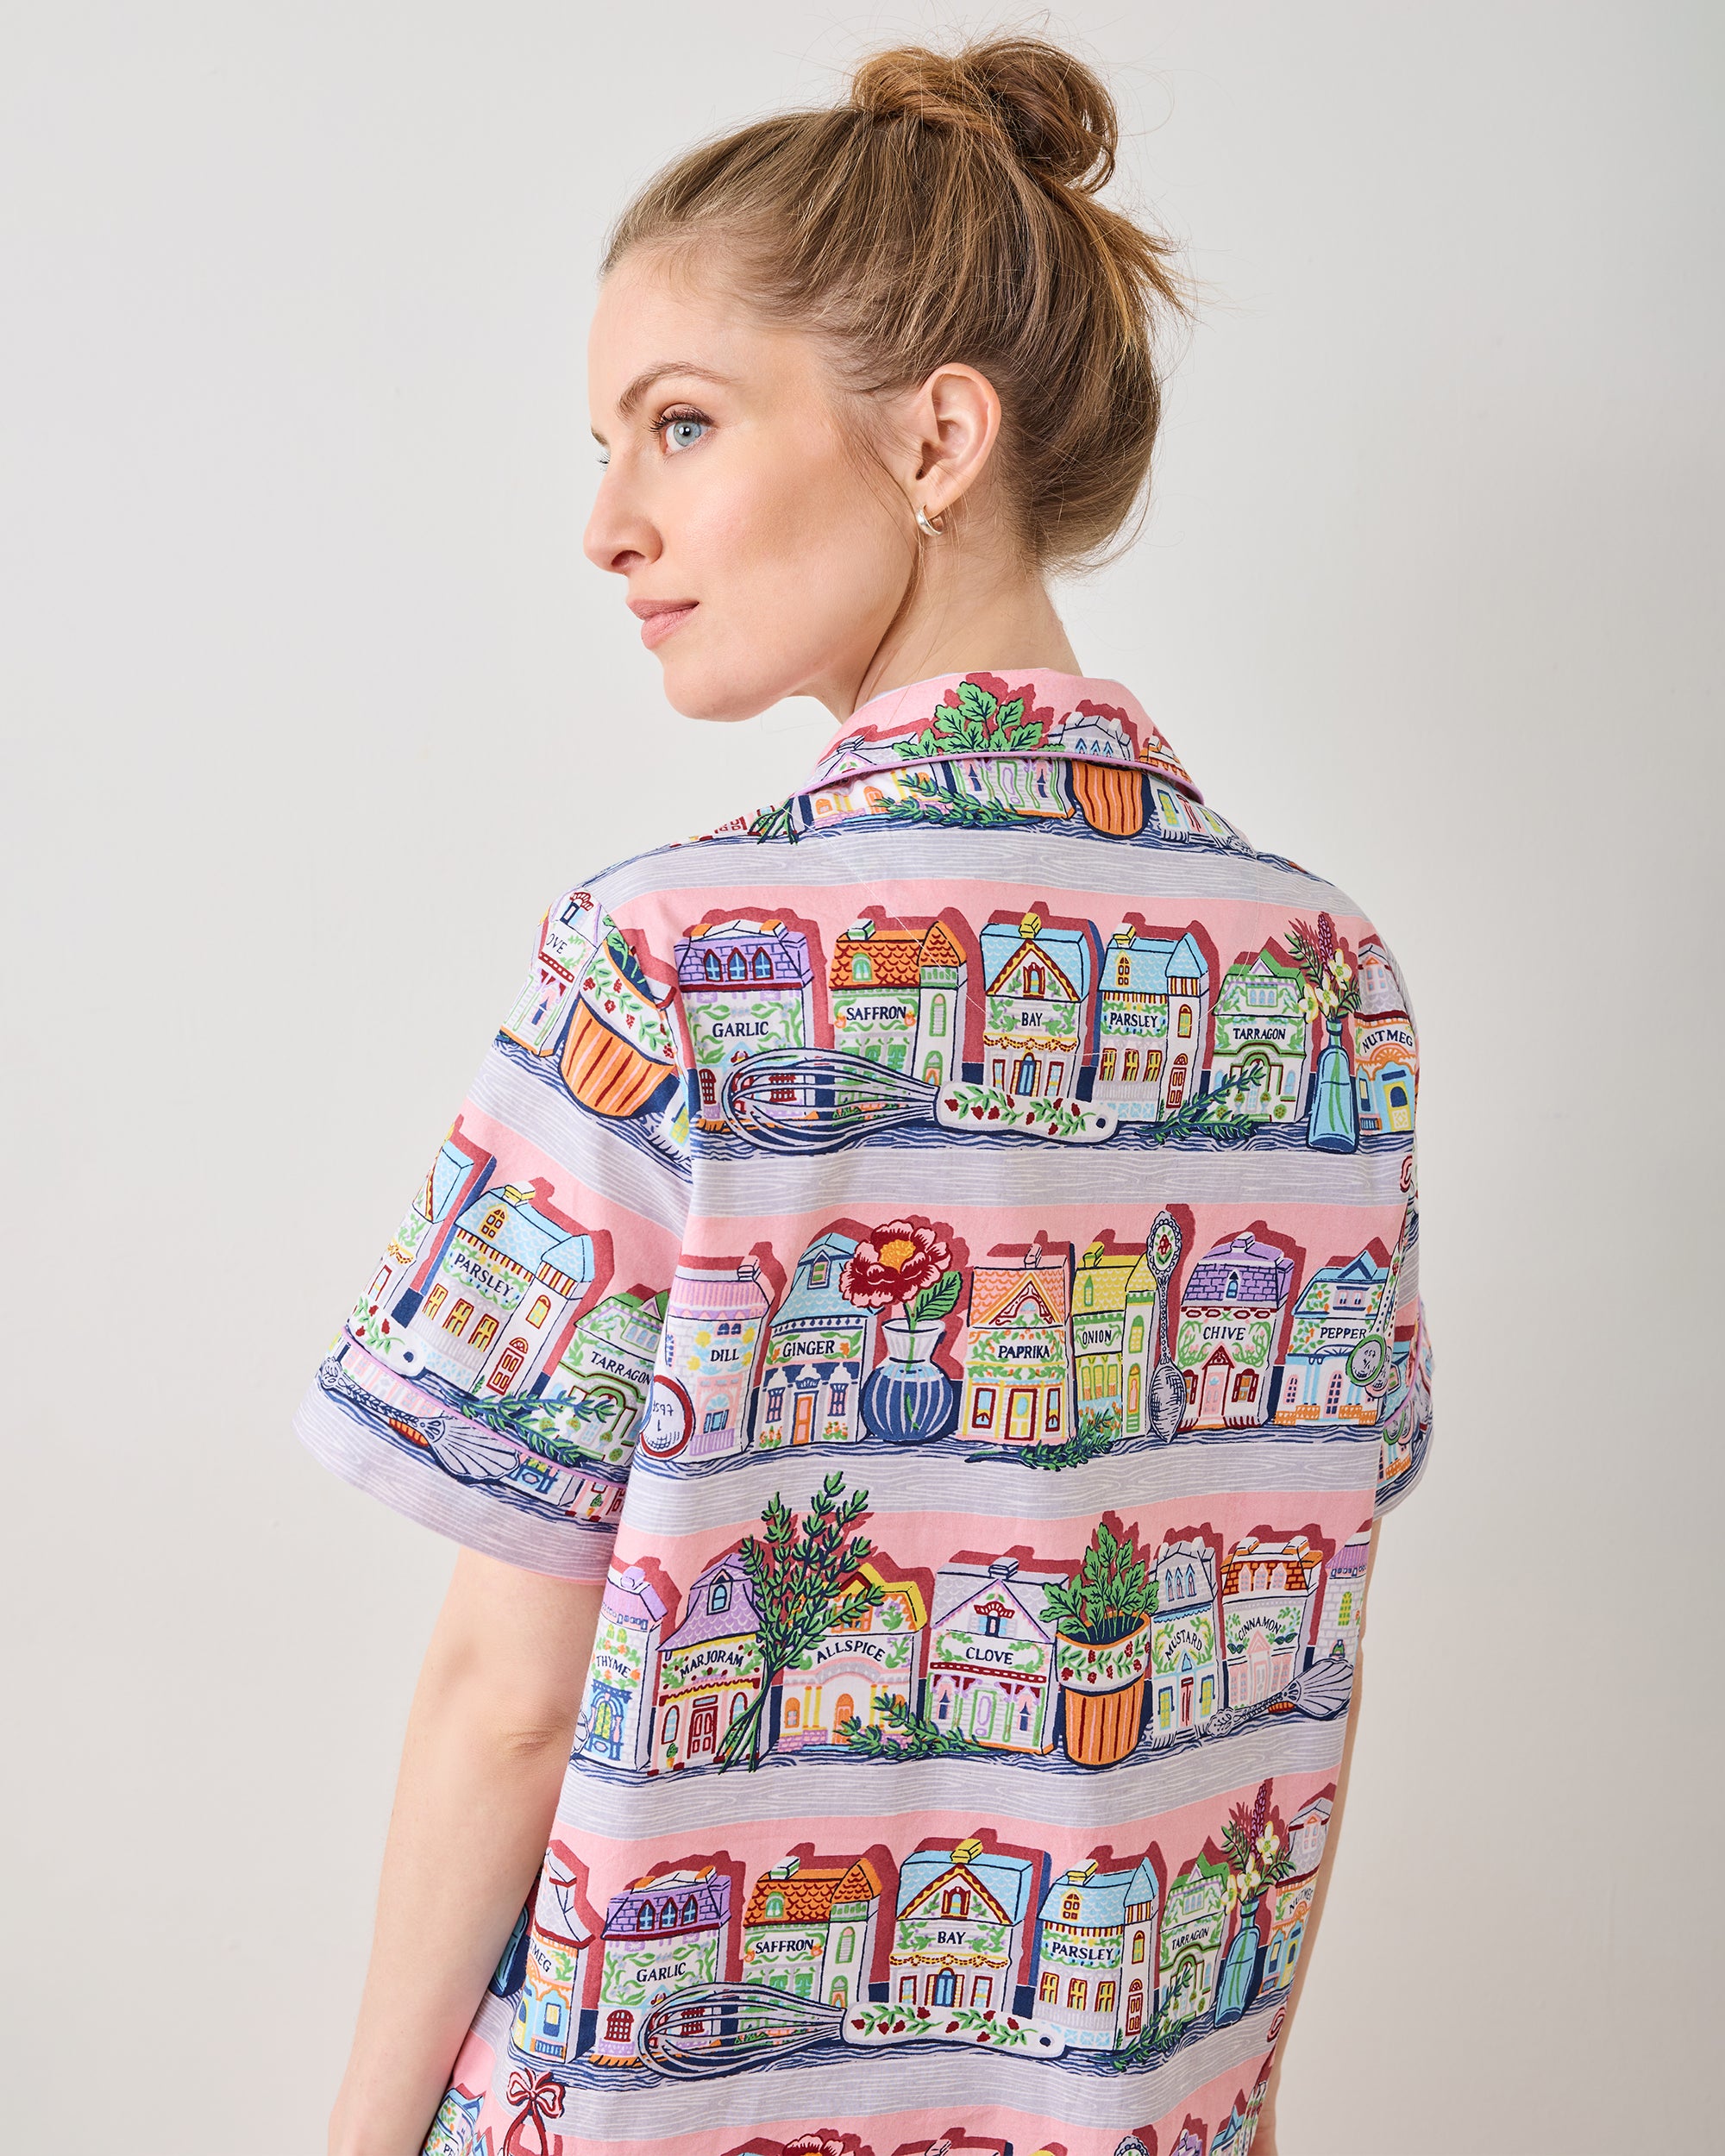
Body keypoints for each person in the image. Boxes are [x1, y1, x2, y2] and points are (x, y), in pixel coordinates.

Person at [298, 35, 1433, 2156]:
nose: (605, 524)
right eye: (607, 444)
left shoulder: (664, 963)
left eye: (680, 423)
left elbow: (508, 1693)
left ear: (935, 437)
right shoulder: (1327, 980)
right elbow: (1293, 1646)